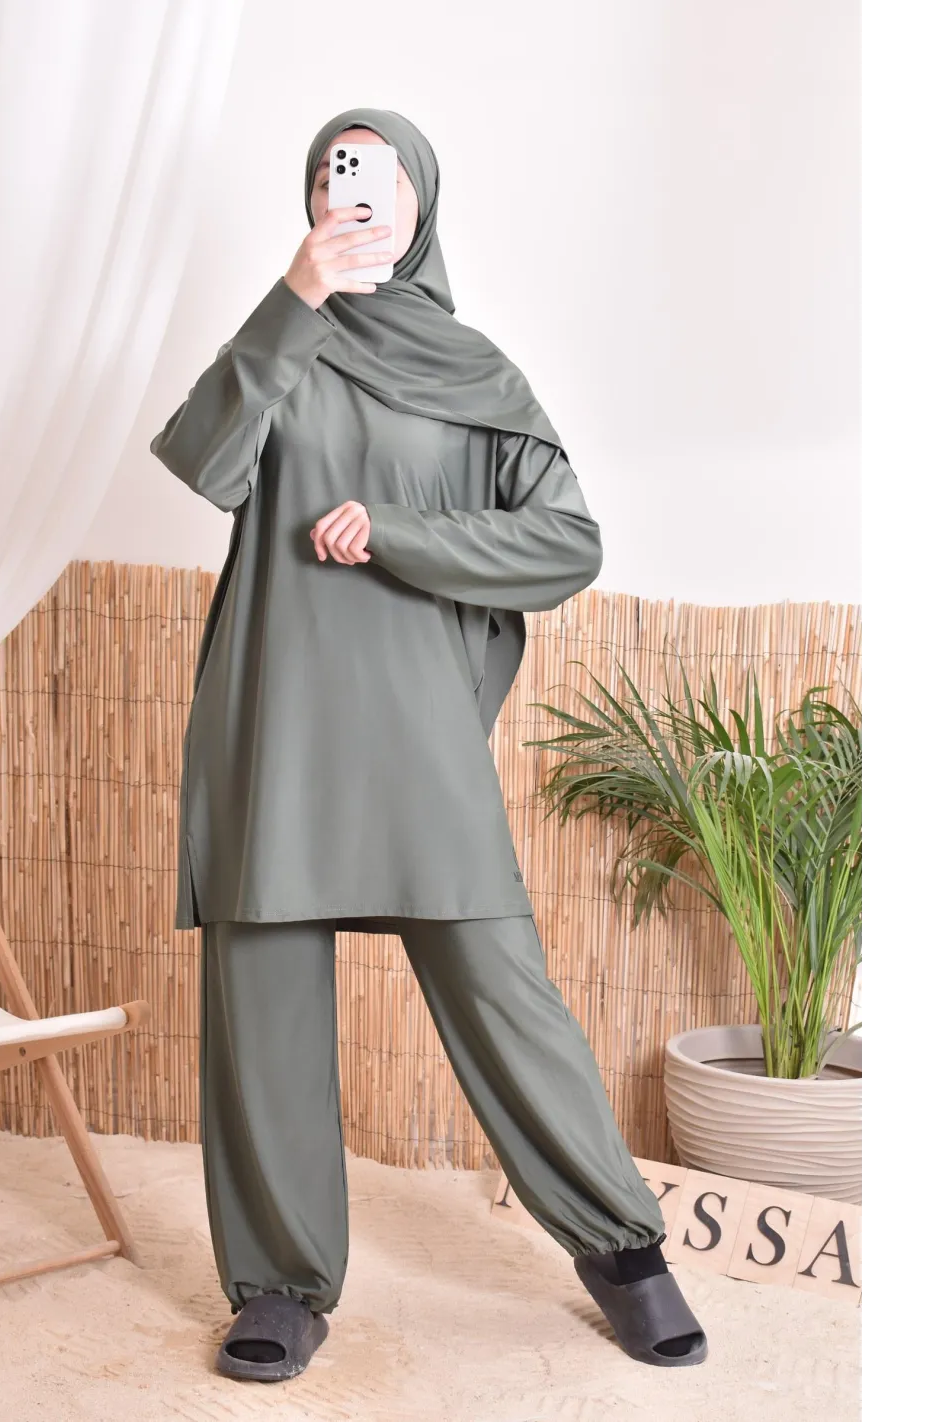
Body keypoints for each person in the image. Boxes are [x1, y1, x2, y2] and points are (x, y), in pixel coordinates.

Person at [150, 106, 708, 1383]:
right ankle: (279, 1287)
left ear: (421, 200)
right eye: (330, 172)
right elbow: (200, 461)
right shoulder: (278, 343)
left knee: (501, 992)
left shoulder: (478, 375)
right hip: (273, 722)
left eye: (374, 170)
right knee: (263, 1007)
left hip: (414, 735)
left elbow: (564, 543)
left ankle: (624, 1254)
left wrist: (399, 533)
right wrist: (293, 298)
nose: (350, 190)